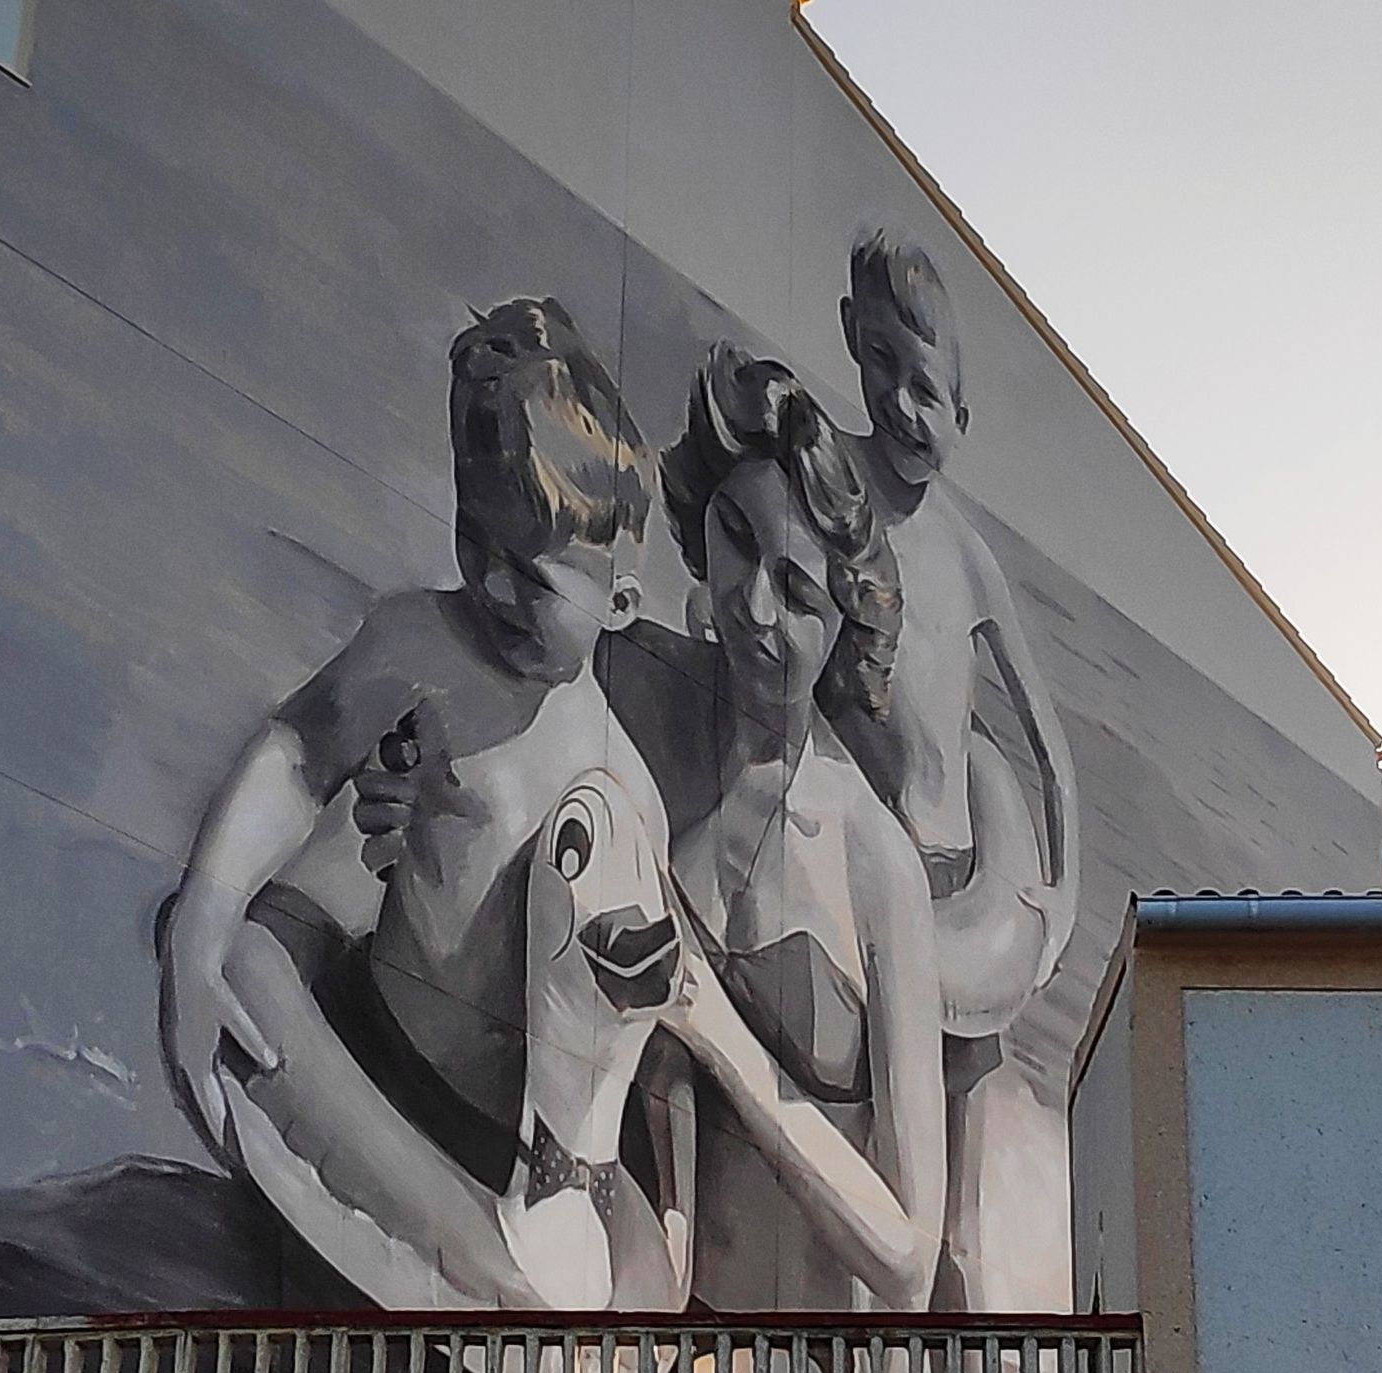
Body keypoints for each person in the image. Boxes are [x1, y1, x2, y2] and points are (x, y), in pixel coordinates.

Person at [160, 298, 693, 1310]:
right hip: (381, 1053)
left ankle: (499, 1278)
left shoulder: (626, 792)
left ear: (621, 604)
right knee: (242, 963)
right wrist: (202, 925)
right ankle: (469, 1265)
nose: (490, 582)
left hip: (507, 1141)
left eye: (531, 573)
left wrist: (662, 1218)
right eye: (471, 536)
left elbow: (637, 1041)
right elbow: (297, 758)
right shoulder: (422, 644)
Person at [604, 343, 948, 1312]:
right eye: (734, 537)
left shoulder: (876, 865)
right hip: (616, 1324)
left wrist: (716, 1031)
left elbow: (909, 1262)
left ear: (846, 626)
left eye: (796, 593)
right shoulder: (626, 684)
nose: (751, 606)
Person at [832, 232, 1084, 1309]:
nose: (901, 405)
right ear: (850, 338)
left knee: (963, 1228)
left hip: (961, 893)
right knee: (875, 1160)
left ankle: (963, 1367)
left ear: (962, 417)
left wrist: (1057, 907)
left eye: (926, 390)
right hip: (859, 887)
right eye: (882, 364)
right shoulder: (825, 496)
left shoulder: (970, 558)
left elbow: (1049, 752)